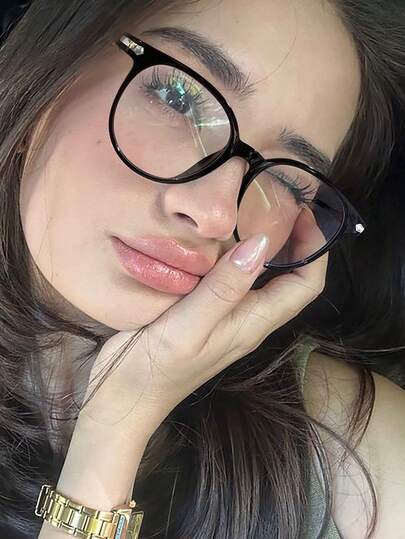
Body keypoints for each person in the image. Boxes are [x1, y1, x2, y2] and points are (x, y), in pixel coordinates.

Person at [0, 1, 404, 538]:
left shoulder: (362, 465)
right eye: (179, 98)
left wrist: (117, 427)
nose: (217, 215)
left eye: (289, 181)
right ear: (49, 68)